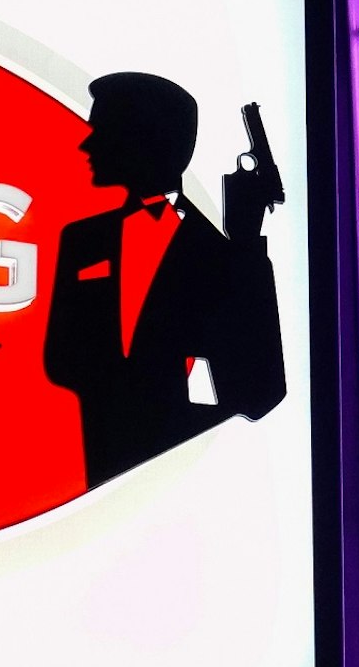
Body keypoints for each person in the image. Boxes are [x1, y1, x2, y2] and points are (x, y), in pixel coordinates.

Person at [42, 72, 287, 487]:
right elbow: (60, 360)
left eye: (103, 132)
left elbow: (260, 391)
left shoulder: (223, 259)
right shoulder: (83, 241)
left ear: (143, 140)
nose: (87, 144)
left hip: (190, 493)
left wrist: (245, 249)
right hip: (98, 479)